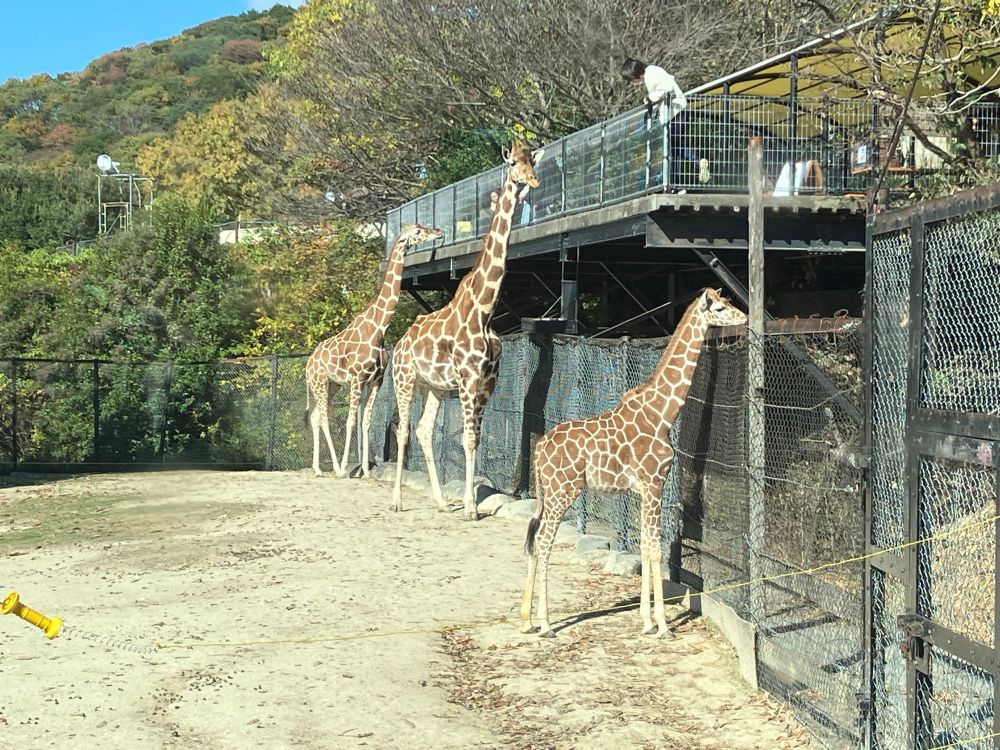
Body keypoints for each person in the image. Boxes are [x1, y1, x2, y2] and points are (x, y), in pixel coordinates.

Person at [621, 57, 710, 192]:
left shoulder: (650, 75)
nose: (633, 83)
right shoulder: (652, 71)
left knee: (671, 149)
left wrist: (651, 98)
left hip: (675, 114)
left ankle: (678, 183)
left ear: (635, 75)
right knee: (674, 148)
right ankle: (691, 169)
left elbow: (667, 88)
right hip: (679, 113)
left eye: (631, 80)